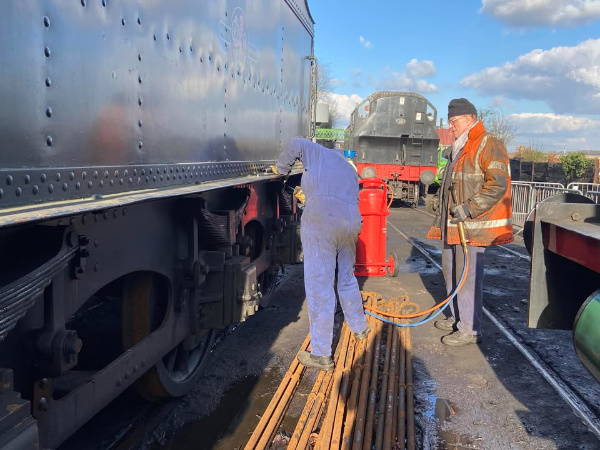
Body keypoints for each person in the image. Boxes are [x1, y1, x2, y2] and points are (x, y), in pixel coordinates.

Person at [272, 137, 370, 370]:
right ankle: (360, 328)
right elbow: (335, 196)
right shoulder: (348, 169)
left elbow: (294, 143)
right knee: (346, 279)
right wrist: (310, 199)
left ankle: (321, 354)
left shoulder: (317, 152)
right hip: (350, 222)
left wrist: (281, 170)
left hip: (322, 223)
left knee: (320, 285)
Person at [426, 98, 513, 346]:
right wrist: (437, 200)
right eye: (450, 122)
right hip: (453, 225)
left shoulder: (488, 144)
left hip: (471, 227)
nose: (450, 127)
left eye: (454, 122)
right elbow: (454, 183)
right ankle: (456, 317)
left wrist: (470, 208)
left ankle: (470, 329)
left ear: (469, 119)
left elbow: (497, 184)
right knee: (451, 273)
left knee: (468, 279)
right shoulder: (461, 146)